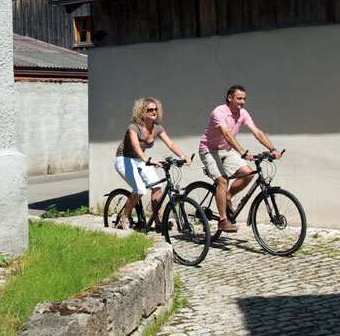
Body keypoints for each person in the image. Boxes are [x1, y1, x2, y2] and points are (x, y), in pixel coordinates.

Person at [198, 85, 281, 232]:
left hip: (226, 150)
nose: (242, 102)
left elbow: (257, 132)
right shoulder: (219, 112)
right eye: (239, 98)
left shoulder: (242, 113)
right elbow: (227, 134)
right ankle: (223, 220)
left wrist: (272, 149)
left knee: (248, 173)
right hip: (209, 150)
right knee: (223, 181)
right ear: (230, 98)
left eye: (244, 99)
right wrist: (242, 152)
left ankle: (228, 197)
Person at [113, 97, 191, 230]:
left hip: (140, 159)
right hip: (124, 158)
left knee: (157, 187)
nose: (154, 112)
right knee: (140, 189)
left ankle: (157, 221)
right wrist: (147, 160)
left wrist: (183, 156)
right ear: (142, 112)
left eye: (155, 109)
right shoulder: (134, 127)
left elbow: (170, 143)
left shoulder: (157, 128)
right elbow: (136, 146)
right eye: (150, 109)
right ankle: (124, 217)